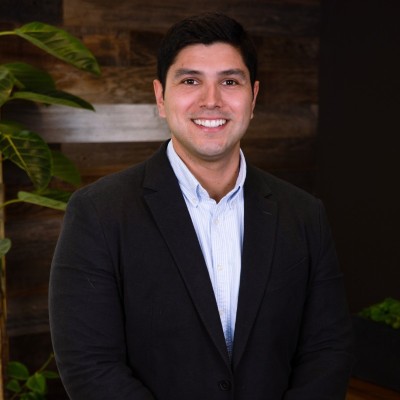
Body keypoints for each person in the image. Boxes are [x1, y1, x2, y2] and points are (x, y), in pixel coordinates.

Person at [49, 12, 354, 400]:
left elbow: (328, 350)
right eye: (190, 81)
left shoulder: (305, 214)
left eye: (230, 81)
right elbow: (90, 365)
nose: (212, 100)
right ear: (161, 97)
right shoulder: (98, 212)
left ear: (253, 97)